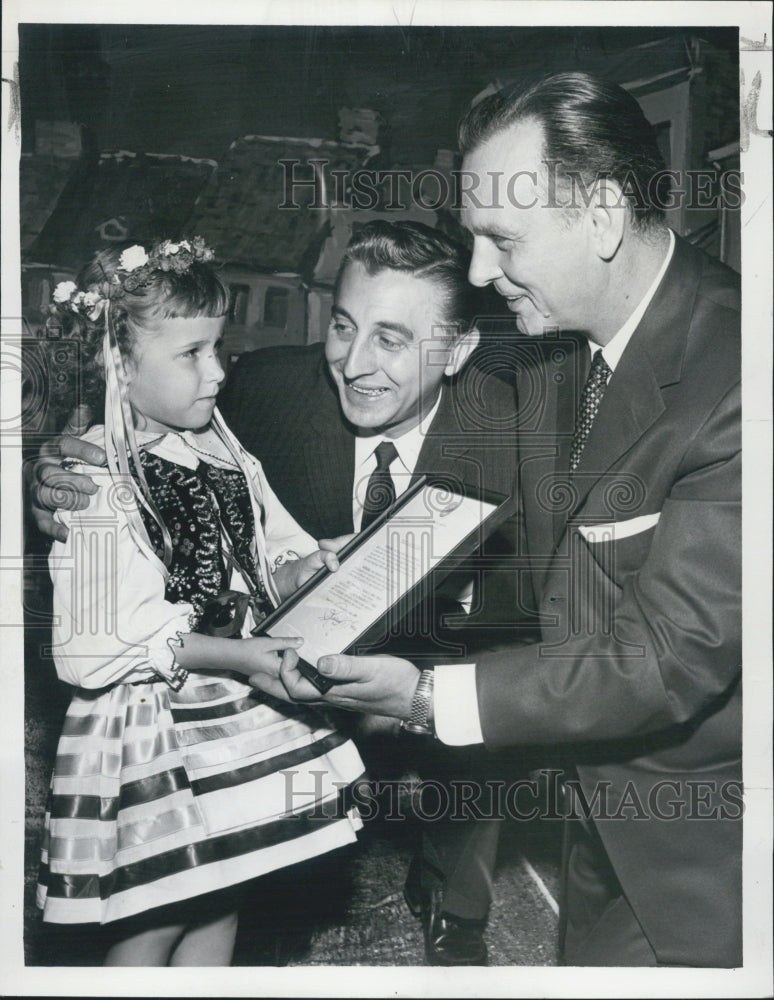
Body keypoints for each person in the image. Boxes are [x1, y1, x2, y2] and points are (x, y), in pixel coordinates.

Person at [250, 74, 743, 968]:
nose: (478, 272)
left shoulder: (742, 375)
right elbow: (460, 494)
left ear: (599, 214)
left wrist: (430, 698)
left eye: (500, 239)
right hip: (592, 824)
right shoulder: (559, 344)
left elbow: (671, 660)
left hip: (708, 857)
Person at [31, 221, 537, 966]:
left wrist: (423, 682)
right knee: (185, 895)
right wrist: (51, 475)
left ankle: (450, 899)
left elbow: (550, 620)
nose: (354, 363)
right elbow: (128, 442)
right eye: (342, 325)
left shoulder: (522, 426)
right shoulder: (255, 392)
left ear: (456, 350)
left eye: (391, 340)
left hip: (432, 663)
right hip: (231, 693)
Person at [35, 238, 365, 966]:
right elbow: (96, 642)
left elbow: (266, 556)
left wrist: (315, 564)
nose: (218, 371)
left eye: (220, 347)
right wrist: (241, 653)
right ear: (119, 364)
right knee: (154, 910)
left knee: (224, 888)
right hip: (152, 723)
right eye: (192, 354)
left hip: (234, 706)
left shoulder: (221, 449)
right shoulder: (95, 476)